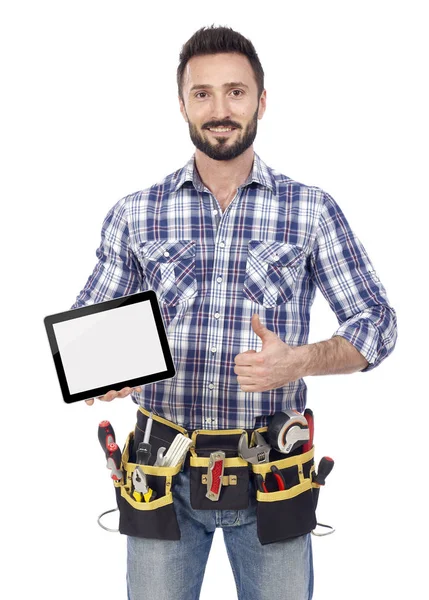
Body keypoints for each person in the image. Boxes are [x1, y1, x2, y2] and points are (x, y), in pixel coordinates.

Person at [71, 25, 397, 600]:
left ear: (262, 100)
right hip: (159, 473)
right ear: (182, 104)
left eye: (236, 92)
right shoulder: (136, 214)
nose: (220, 109)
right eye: (202, 94)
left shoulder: (311, 211)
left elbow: (377, 325)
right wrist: (100, 370)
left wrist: (298, 361)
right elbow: (90, 327)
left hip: (273, 468)